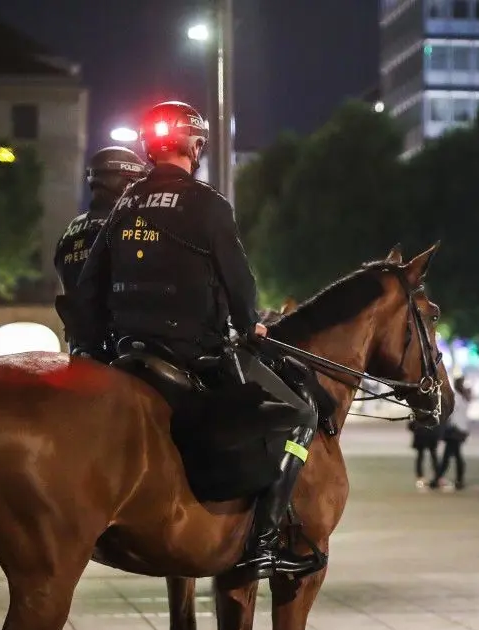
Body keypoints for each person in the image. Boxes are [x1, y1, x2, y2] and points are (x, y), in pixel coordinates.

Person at [78, 100, 319, 579]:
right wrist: (250, 322)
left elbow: (89, 285)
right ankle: (264, 540)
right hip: (193, 352)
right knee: (302, 417)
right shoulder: (207, 203)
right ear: (196, 145)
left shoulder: (124, 203)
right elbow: (238, 280)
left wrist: (92, 348)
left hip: (130, 352)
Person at [54, 146, 148, 355]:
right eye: (136, 182)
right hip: (123, 347)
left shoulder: (70, 231)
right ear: (125, 184)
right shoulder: (128, 224)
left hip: (80, 346)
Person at [432, 376, 470, 491]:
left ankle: (439, 479)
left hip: (454, 430)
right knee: (455, 456)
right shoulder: (463, 397)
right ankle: (457, 480)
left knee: (449, 457)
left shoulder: (456, 398)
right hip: (461, 430)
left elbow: (450, 414)